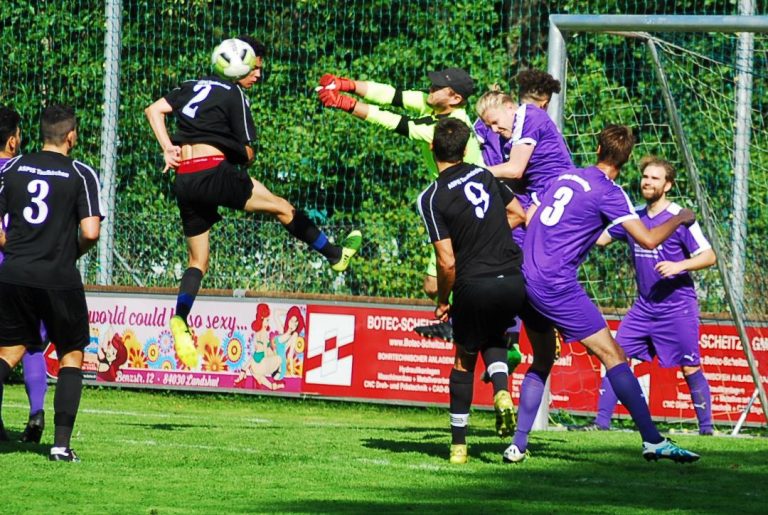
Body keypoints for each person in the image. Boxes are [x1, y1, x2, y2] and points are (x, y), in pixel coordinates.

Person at [146, 36, 362, 370]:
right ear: (240, 66)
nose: (259, 75)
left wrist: (168, 147)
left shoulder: (190, 85)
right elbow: (247, 155)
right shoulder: (235, 94)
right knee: (283, 207)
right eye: (256, 68)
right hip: (213, 173)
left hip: (184, 179)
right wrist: (234, 152)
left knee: (197, 261)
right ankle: (334, 256)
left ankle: (179, 319)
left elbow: (154, 110)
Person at [507, 124, 700, 464]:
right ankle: (653, 440)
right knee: (614, 356)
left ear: (597, 150)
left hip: (525, 278)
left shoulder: (565, 177)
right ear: (626, 162)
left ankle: (517, 445)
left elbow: (529, 214)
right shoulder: (611, 193)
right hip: (556, 285)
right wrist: (682, 217)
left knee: (541, 359)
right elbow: (650, 240)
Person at [316, 67, 483, 313]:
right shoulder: (433, 104)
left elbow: (395, 121)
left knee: (449, 280)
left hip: (466, 209)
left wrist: (344, 103)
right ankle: (471, 322)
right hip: (452, 203)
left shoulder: (451, 126)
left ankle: (471, 325)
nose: (431, 88)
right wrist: (345, 84)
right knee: (433, 286)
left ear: (455, 98)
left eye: (438, 88)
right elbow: (390, 94)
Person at [417, 118, 529, 464]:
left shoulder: (431, 196)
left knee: (463, 361)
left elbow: (447, 262)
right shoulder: (485, 175)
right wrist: (488, 234)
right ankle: (501, 392)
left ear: (433, 148)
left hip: (474, 282)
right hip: (512, 278)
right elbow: (518, 213)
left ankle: (458, 446)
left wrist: (441, 302)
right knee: (494, 336)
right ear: (466, 149)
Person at [579, 156, 716, 434]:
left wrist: (680, 265)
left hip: (678, 307)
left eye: (655, 178)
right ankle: (600, 424)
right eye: (645, 177)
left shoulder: (680, 218)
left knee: (690, 367)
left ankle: (707, 430)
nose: (647, 182)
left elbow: (709, 256)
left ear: (667, 185)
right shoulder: (634, 217)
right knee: (614, 355)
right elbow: (602, 238)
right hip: (644, 307)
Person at [0, 104, 103, 462]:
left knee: (8, 352)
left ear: (41, 134)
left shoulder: (13, 167)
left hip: (13, 274)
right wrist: (69, 253)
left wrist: (13, 249)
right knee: (71, 354)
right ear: (71, 136)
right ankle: (60, 446)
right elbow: (91, 231)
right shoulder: (80, 173)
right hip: (58, 278)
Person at [0, 105, 49, 444]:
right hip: (19, 267)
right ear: (13, 140)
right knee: (31, 343)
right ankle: (36, 412)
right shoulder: (25, 171)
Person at [475, 70, 573, 218]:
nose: (494, 129)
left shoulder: (529, 114)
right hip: (540, 194)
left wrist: (473, 173)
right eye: (489, 126)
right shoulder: (507, 129)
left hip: (555, 189)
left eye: (495, 123)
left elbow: (515, 169)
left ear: (509, 107)